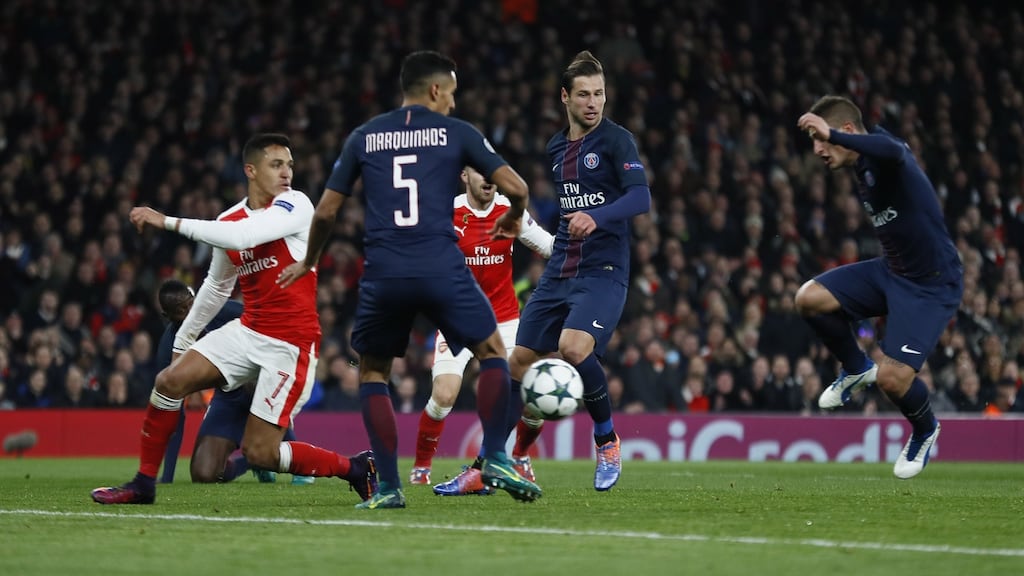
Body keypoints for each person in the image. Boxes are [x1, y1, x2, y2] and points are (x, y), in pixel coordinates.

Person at [277, 51, 542, 509]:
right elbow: (516, 187)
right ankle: (496, 456)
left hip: (384, 272)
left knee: (374, 372)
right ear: (436, 90)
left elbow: (326, 211)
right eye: (453, 93)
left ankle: (389, 487)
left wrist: (309, 260)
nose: (454, 104)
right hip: (441, 263)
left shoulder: (365, 136)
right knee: (494, 353)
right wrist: (514, 216)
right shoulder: (457, 133)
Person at [91, 133, 377, 504]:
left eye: (289, 164)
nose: (287, 172)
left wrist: (166, 221)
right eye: (276, 165)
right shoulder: (230, 219)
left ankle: (354, 467)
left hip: (289, 346)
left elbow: (244, 237)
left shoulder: (296, 206)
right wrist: (182, 343)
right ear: (251, 170)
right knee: (168, 381)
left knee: (262, 453)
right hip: (247, 332)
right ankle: (143, 484)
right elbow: (216, 287)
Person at [505, 50, 651, 491]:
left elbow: (640, 198)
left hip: (604, 269)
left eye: (600, 94)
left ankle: (606, 441)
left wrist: (599, 216)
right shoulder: (555, 147)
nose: (594, 102)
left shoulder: (616, 140)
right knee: (517, 364)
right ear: (565, 98)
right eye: (584, 94)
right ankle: (505, 458)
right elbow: (573, 208)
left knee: (571, 347)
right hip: (559, 269)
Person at [795, 95, 963, 479]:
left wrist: (832, 132)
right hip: (892, 272)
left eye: (821, 140)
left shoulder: (887, 156)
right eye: (814, 141)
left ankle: (925, 429)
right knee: (809, 298)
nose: (818, 149)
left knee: (892, 379)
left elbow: (895, 149)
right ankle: (855, 367)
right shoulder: (859, 166)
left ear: (847, 131)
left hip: (931, 284)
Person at [406, 166, 553, 493]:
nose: (487, 179)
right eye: (479, 172)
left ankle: (521, 457)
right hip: (458, 320)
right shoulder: (448, 213)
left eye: (492, 172)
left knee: (533, 395)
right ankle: (421, 466)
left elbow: (548, 246)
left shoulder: (509, 211)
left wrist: (580, 252)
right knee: (443, 395)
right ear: (464, 176)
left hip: (504, 321)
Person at [154, 279, 314, 485]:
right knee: (205, 475)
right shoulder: (170, 350)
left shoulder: (225, 311)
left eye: (191, 304)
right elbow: (173, 415)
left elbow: (270, 331)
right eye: (180, 311)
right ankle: (252, 463)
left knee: (250, 382)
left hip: (260, 383)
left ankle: (299, 460)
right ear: (167, 317)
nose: (189, 314)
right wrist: (167, 478)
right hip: (227, 397)